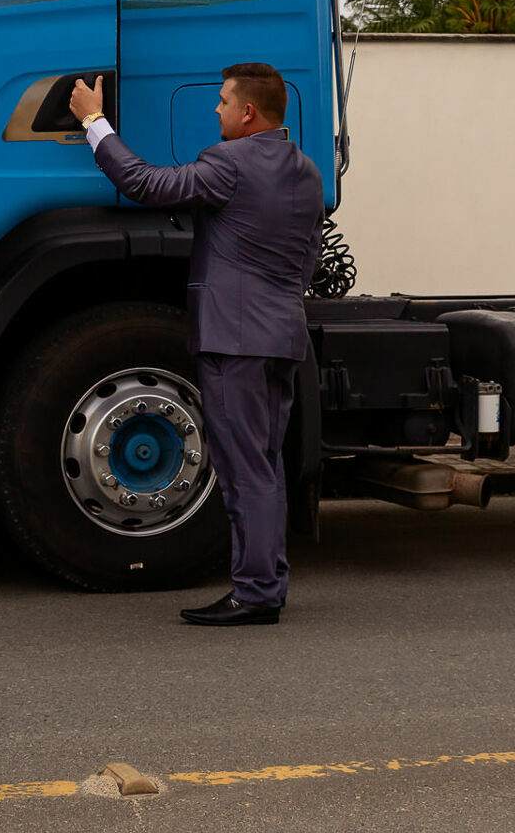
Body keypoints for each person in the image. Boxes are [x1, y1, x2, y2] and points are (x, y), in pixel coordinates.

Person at [68, 63, 323, 626]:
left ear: (248, 112)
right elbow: (310, 255)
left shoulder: (228, 163)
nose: (217, 110)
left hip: (235, 339)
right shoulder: (305, 170)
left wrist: (95, 123)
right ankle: (267, 584)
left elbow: (147, 185)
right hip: (281, 334)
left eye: (224, 101)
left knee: (243, 469)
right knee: (266, 467)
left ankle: (256, 594)